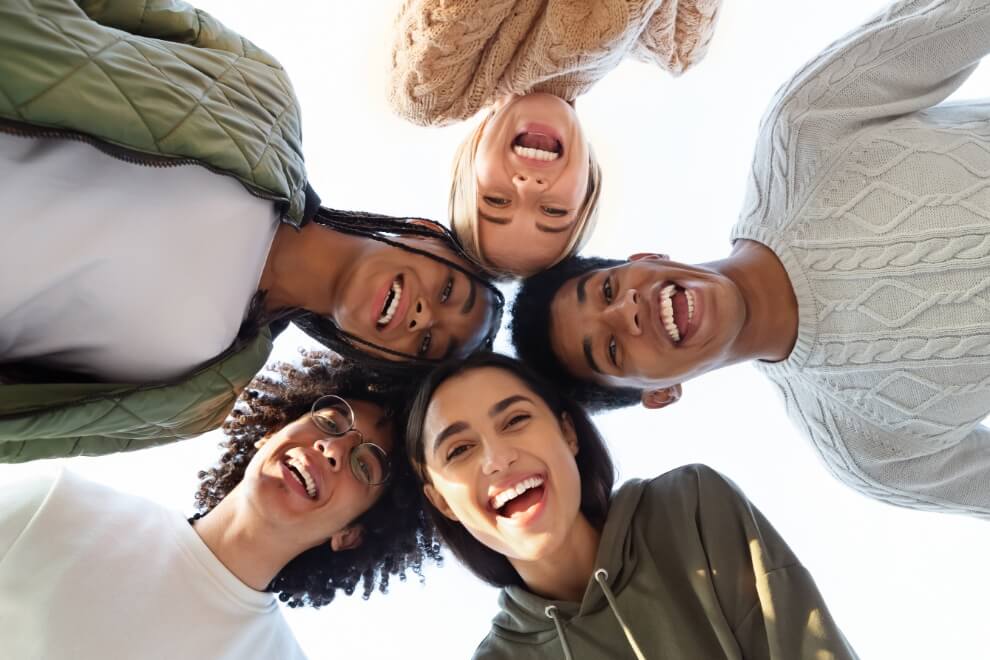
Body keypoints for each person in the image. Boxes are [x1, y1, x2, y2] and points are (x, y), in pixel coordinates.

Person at [511, 0, 990, 519]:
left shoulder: (804, 128)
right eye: (609, 348)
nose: (626, 312)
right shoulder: (865, 450)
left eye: (606, 289)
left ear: (644, 256)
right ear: (659, 393)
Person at [0, 0, 503, 462]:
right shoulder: (263, 94)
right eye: (448, 290)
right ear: (425, 233)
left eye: (428, 345)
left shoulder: (197, 403)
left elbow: (25, 433)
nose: (423, 317)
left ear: (377, 358)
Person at [402, 352, 857, 659]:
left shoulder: (690, 508)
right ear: (442, 501)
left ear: (568, 433)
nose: (498, 459)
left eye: (516, 419)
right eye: (459, 450)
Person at [0, 351, 440, 659]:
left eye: (364, 466)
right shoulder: (55, 504)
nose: (331, 448)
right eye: (329, 421)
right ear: (271, 432)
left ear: (350, 534)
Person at [388, 0, 722, 277]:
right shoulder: (676, 44)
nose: (528, 185)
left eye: (496, 201)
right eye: (552, 210)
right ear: (589, 183)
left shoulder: (432, 93)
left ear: (471, 163)